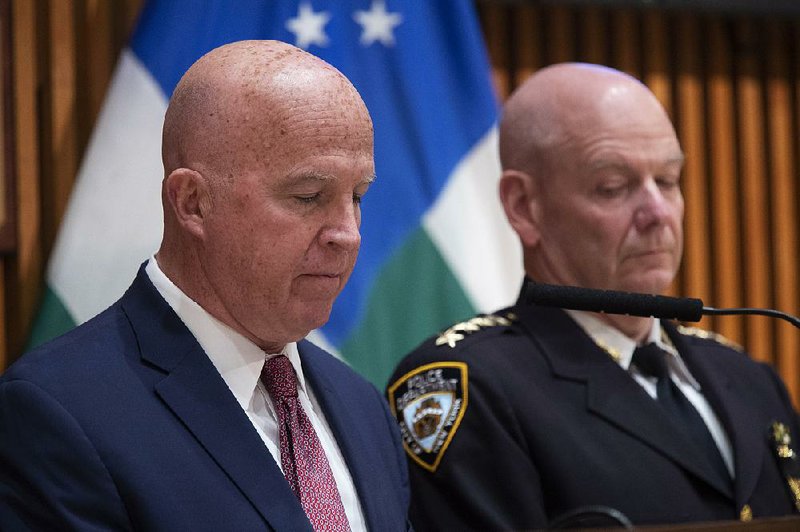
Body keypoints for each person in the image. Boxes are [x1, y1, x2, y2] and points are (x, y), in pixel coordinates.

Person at [0, 40, 410, 531]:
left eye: (358, 196)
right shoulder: (59, 412)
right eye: (308, 196)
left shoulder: (362, 407)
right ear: (192, 202)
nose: (347, 233)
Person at [387, 63, 800, 529]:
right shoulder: (471, 387)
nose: (658, 213)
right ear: (524, 207)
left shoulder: (746, 377)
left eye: (668, 180)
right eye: (613, 188)